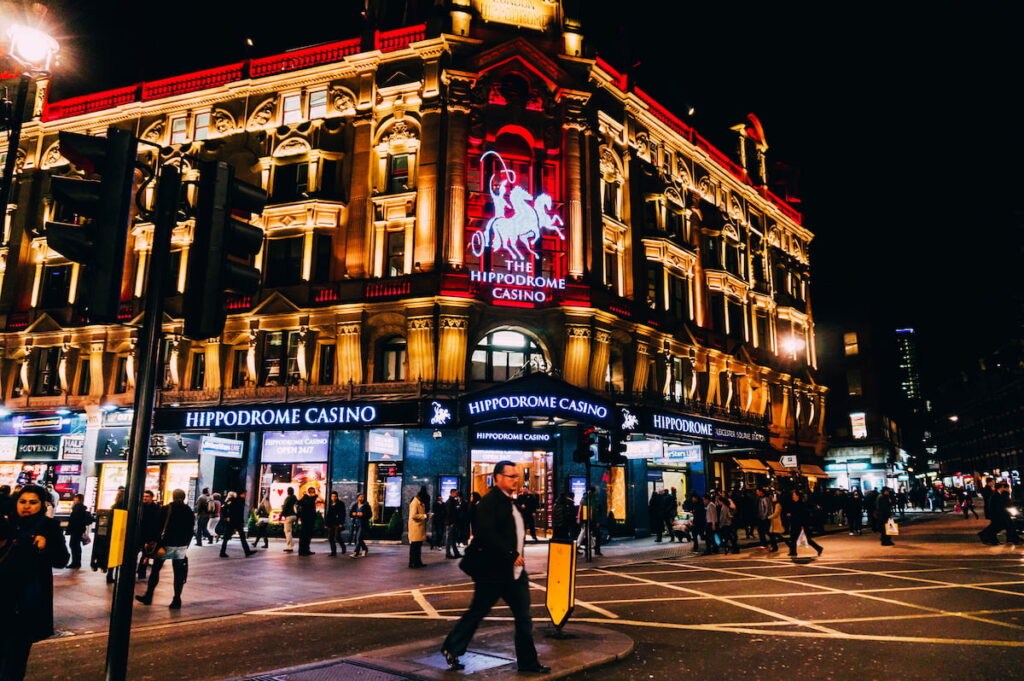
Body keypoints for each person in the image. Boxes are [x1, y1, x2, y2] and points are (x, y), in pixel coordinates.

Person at [440, 461, 549, 674]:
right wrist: (510, 554)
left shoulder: (513, 502)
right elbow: (486, 532)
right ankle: (452, 647)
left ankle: (528, 664)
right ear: (498, 478)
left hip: (515, 573)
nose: (515, 480)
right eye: (510, 476)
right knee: (478, 611)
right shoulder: (490, 502)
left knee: (524, 617)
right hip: (493, 572)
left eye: (516, 476)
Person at [0, 485, 68, 680]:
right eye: (22, 502)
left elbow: (62, 560)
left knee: (16, 655)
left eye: (32, 502)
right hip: (3, 596)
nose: (26, 506)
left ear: (42, 505)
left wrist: (45, 547)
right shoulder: (6, 524)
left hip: (28, 599)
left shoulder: (50, 527)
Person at [135, 489, 195, 609]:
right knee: (178, 573)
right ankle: (176, 599)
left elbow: (157, 526)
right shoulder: (188, 511)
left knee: (156, 570)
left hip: (165, 544)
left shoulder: (167, 509)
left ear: (173, 496)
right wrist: (186, 545)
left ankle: (149, 596)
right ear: (183, 497)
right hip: (181, 546)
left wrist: (152, 541)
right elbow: (191, 530)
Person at [786, 490, 823, 557]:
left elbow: (803, 515)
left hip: (800, 524)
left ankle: (819, 548)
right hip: (794, 523)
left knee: (806, 539)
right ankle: (793, 552)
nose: (793, 496)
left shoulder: (801, 504)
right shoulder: (792, 503)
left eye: (794, 495)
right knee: (793, 538)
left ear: (797, 496)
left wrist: (803, 525)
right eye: (793, 495)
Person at [219, 491, 254, 558]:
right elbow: (225, 509)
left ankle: (222, 552)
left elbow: (224, 508)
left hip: (232, 521)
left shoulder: (230, 501)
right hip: (235, 521)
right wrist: (227, 517)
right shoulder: (233, 500)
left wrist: (226, 517)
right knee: (241, 537)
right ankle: (247, 551)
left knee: (228, 537)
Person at [137, 490, 162, 580]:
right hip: (138, 535)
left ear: (152, 497)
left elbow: (157, 524)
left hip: (149, 536)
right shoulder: (139, 507)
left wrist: (153, 538)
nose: (145, 498)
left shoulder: (156, 509)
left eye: (147, 496)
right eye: (144, 496)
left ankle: (141, 572)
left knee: (146, 555)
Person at [65, 493, 94, 569]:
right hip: (79, 529)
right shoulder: (80, 507)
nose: (74, 499)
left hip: (76, 529)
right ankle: (76, 562)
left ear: (78, 499)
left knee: (74, 545)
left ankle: (76, 563)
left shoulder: (77, 507)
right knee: (76, 546)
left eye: (75, 498)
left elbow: (75, 519)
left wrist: (70, 529)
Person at [408, 486, 430, 568]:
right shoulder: (415, 503)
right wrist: (424, 515)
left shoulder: (419, 502)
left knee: (418, 546)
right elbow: (413, 515)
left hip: (419, 528)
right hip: (415, 527)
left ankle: (417, 562)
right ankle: (413, 563)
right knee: (414, 547)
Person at [296, 486, 320, 556]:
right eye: (311, 492)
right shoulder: (306, 498)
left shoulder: (306, 498)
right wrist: (315, 495)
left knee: (307, 536)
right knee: (305, 536)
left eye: (313, 492)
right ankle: (303, 551)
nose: (312, 493)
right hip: (306, 520)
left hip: (308, 520)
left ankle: (306, 550)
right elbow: (310, 501)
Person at [324, 491, 347, 556]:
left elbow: (343, 514)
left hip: (337, 523)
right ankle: (333, 552)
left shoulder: (340, 504)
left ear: (337, 497)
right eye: (332, 496)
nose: (333, 498)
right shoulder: (330, 503)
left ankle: (343, 547)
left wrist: (341, 523)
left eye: (335, 496)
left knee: (337, 536)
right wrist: (326, 523)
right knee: (330, 537)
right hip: (330, 523)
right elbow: (328, 514)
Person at [444, 489, 462, 559]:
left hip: (453, 523)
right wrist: (451, 522)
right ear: (453, 493)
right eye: (456, 493)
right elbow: (449, 513)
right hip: (451, 523)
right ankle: (448, 554)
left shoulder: (453, 501)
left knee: (453, 538)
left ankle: (456, 553)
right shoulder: (450, 502)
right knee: (449, 539)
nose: (457, 494)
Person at [281, 487, 298, 553]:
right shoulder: (295, 498)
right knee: (289, 531)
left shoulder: (288, 499)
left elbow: (285, 507)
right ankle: (291, 544)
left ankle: (290, 546)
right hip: (294, 515)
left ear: (288, 492)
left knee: (287, 531)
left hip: (289, 516)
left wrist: (281, 515)